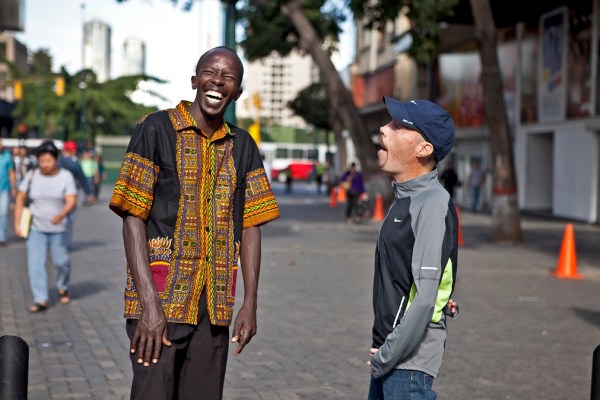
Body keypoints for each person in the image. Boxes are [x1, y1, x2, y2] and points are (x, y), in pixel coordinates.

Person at [109, 46, 280, 400]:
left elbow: (251, 225)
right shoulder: (155, 128)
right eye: (211, 72)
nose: (218, 81)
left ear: (237, 91)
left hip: (214, 307)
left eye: (229, 77)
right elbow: (132, 217)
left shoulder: (243, 145)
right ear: (194, 80)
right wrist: (149, 305)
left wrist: (250, 302)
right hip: (159, 302)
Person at [368, 97, 459, 399]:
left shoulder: (432, 204)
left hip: (406, 365)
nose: (384, 128)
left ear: (424, 149)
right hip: (392, 357)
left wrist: (386, 356)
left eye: (397, 125)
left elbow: (423, 300)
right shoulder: (407, 198)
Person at [13, 141, 77, 312]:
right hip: (36, 227)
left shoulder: (65, 176)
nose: (44, 164)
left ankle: (63, 286)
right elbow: (20, 198)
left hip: (59, 228)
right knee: (35, 263)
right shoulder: (32, 175)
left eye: (48, 161)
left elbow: (71, 200)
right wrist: (17, 223)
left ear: (56, 160)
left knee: (61, 262)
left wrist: (62, 214)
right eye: (41, 161)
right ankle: (40, 298)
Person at [58, 140, 94, 248]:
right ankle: (66, 242)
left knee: (58, 215)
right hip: (71, 194)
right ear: (73, 151)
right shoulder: (75, 163)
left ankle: (56, 240)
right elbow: (82, 179)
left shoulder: (57, 161)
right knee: (70, 218)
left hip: (57, 193)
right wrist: (88, 193)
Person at [0, 138, 16, 246]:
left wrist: (14, 187)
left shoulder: (7, 156)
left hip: (4, 188)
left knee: (3, 213)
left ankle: (2, 236)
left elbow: (11, 173)